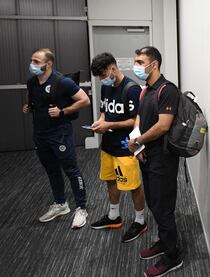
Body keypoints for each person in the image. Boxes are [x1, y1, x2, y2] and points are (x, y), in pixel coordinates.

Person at [128, 46, 183, 277]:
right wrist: (137, 142)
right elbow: (140, 117)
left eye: (140, 62)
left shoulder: (167, 90)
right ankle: (163, 241)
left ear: (155, 64)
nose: (137, 66)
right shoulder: (145, 90)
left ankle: (173, 256)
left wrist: (139, 140)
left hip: (163, 159)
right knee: (153, 202)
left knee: (163, 207)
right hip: (146, 157)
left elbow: (163, 126)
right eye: (136, 61)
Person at [23, 48, 90, 229]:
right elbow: (30, 98)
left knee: (71, 170)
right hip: (40, 134)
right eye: (32, 60)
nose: (32, 64)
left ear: (49, 63)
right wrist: (27, 106)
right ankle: (61, 204)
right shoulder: (31, 82)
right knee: (51, 170)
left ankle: (81, 208)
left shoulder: (63, 82)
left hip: (60, 133)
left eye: (36, 61)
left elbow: (84, 100)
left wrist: (63, 111)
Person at [90, 52, 148, 242]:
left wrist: (110, 125)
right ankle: (114, 217)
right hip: (108, 146)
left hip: (125, 148)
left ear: (113, 69)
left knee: (132, 185)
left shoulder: (131, 89)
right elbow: (104, 111)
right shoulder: (105, 87)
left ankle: (140, 221)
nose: (101, 79)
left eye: (103, 75)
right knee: (110, 180)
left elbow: (134, 121)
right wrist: (99, 122)